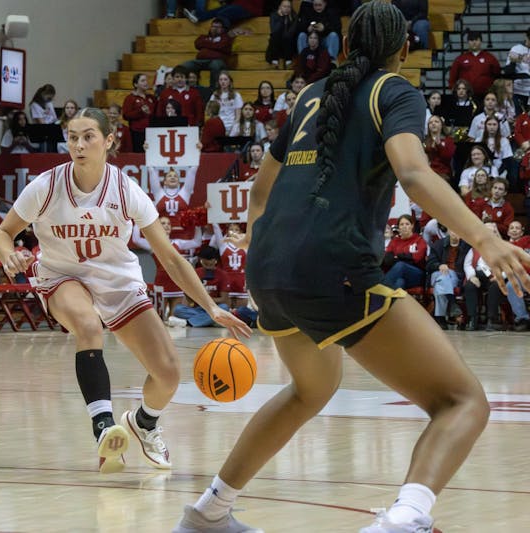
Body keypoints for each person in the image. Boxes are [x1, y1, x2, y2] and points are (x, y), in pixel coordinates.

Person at [173, 3, 530, 533]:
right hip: (330, 266)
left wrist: (265, 246)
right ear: (404, 48)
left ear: (346, 43)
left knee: (310, 390)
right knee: (462, 401)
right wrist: (484, 235)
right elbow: (412, 173)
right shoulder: (394, 91)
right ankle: (404, 521)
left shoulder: (312, 96)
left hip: (268, 267)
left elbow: (259, 190)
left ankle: (209, 513)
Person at [0, 107, 250, 474]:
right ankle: (103, 427)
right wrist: (8, 255)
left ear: (108, 141)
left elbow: (171, 258)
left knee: (169, 373)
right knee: (88, 325)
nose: (78, 145)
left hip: (116, 279)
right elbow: (3, 233)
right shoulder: (46, 186)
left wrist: (211, 307)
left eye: (88, 137)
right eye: (72, 137)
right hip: (62, 274)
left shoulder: (126, 190)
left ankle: (143, 424)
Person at [426, 229, 470, 330]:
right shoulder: (438, 244)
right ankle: (452, 303)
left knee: (442, 282)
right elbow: (429, 264)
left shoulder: (466, 247)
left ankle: (440, 317)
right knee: (443, 277)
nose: (456, 232)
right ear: (449, 231)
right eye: (453, 230)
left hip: (455, 277)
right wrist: (439, 265)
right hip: (436, 274)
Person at [180, 17, 234, 91]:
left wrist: (206, 45)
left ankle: (213, 90)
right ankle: (187, 89)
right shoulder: (203, 37)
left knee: (215, 65)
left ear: (222, 29)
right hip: (201, 61)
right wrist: (214, 44)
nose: (215, 29)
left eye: (218, 27)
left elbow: (221, 46)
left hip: (217, 61)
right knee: (186, 65)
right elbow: (197, 44)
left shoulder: (226, 38)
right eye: (213, 26)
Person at [122, 73, 157, 153]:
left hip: (151, 131)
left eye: (146, 80)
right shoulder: (130, 98)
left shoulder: (151, 98)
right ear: (135, 84)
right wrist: (140, 112)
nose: (146, 82)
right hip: (137, 132)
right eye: (142, 81)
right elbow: (126, 115)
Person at [266, 0, 298, 68]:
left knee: (288, 37)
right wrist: (280, 17)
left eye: (289, 7)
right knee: (275, 36)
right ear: (280, 7)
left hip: (289, 43)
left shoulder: (294, 16)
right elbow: (274, 31)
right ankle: (275, 61)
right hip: (277, 42)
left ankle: (288, 61)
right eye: (284, 6)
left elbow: (291, 33)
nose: (286, 9)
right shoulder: (274, 15)